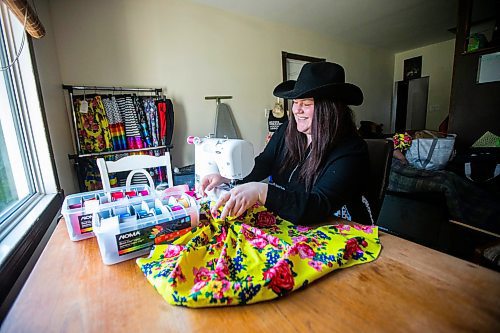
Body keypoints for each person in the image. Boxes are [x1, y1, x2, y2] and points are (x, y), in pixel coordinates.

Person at [200, 61, 370, 225]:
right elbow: (264, 162)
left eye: (306, 104)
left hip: (335, 222)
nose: (296, 110)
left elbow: (319, 205)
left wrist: (262, 191)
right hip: (291, 215)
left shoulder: (351, 149)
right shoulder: (288, 129)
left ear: (329, 110)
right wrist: (228, 177)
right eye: (296, 102)